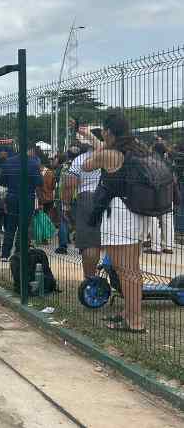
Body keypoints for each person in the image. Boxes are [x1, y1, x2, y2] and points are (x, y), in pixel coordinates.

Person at [86, 113, 158, 333]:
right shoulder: (138, 150)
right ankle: (129, 313)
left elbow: (86, 166)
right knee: (131, 270)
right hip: (137, 215)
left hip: (119, 219)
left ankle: (135, 321)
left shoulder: (108, 155)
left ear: (109, 132)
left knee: (126, 271)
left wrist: (97, 145)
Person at [61, 140, 101, 279]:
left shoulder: (80, 159)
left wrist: (65, 205)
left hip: (87, 198)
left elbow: (69, 184)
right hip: (112, 199)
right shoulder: (112, 156)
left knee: (90, 243)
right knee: (115, 243)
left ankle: (90, 280)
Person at [0, 146, 43, 262]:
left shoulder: (8, 162)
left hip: (12, 197)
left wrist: (5, 201)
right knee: (24, 227)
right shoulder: (34, 164)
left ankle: (5, 254)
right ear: (29, 150)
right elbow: (39, 184)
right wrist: (40, 201)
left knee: (10, 226)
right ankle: (19, 253)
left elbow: (2, 183)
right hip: (28, 198)